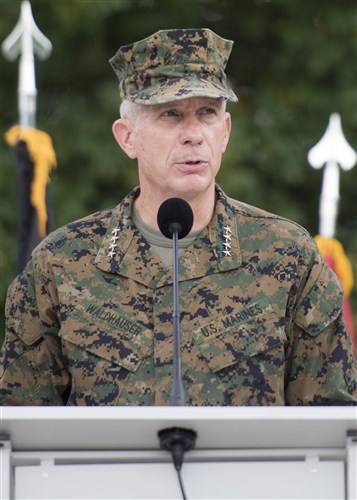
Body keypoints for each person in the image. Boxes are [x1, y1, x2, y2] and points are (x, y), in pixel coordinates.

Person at [1, 28, 356, 406]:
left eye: (207, 113)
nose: (193, 135)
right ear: (127, 138)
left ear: (225, 132)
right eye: (170, 115)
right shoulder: (62, 264)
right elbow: (19, 432)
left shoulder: (288, 257)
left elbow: (333, 431)